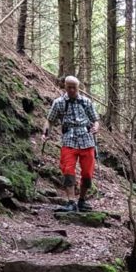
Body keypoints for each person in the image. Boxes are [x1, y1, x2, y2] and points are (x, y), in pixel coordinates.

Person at [42, 76, 99, 212]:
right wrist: (45, 133)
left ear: (78, 88)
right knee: (68, 170)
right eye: (69, 87)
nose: (72, 90)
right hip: (69, 139)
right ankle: (71, 202)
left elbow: (95, 119)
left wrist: (96, 127)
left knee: (87, 173)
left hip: (87, 140)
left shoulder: (86, 102)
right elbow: (50, 120)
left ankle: (82, 200)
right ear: (65, 87)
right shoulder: (59, 103)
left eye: (74, 87)